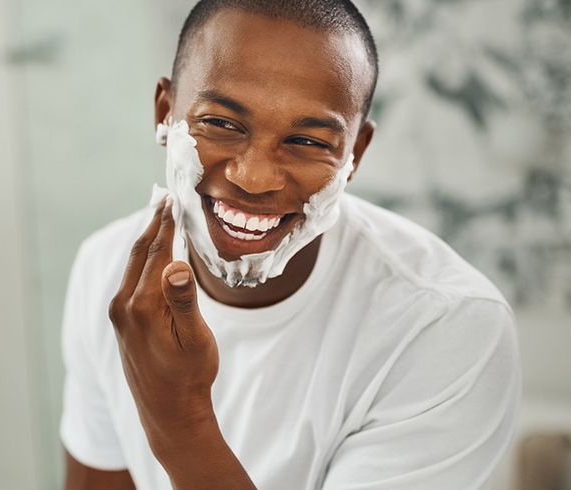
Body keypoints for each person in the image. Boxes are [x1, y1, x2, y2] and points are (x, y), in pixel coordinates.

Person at [59, 1, 521, 489]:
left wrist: (178, 418)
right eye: (221, 123)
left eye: (307, 141)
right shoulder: (105, 271)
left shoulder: (445, 325)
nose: (254, 178)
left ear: (354, 154)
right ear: (165, 113)